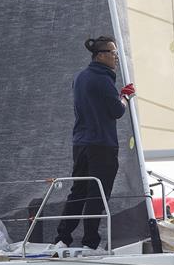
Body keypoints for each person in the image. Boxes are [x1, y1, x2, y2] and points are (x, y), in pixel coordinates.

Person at [51, 35, 135, 250]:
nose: (116, 58)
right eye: (113, 53)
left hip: (80, 144)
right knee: (97, 193)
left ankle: (62, 239)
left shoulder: (79, 77)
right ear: (100, 55)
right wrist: (125, 97)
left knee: (77, 191)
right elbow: (116, 111)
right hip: (102, 145)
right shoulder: (103, 79)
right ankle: (90, 243)